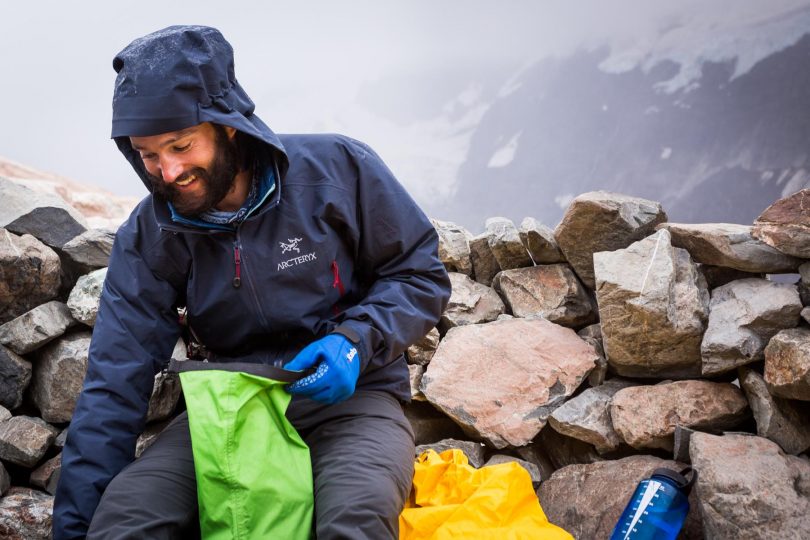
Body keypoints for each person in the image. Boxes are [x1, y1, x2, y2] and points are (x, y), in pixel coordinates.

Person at [53, 25, 450, 539]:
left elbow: (419, 273)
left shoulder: (338, 170)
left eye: (181, 146)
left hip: (353, 404)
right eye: (148, 154)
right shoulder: (151, 235)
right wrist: (74, 530)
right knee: (124, 522)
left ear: (229, 126)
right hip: (228, 410)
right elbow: (114, 382)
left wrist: (355, 341)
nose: (167, 171)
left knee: (354, 522)